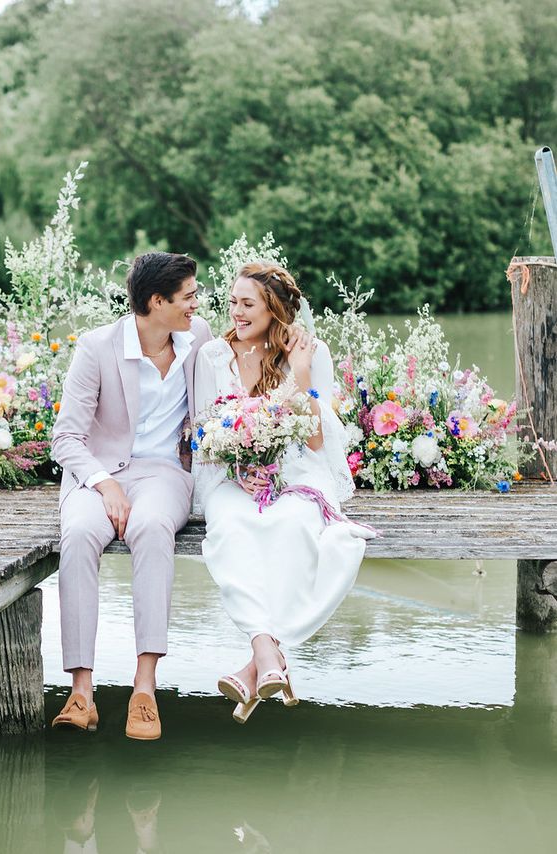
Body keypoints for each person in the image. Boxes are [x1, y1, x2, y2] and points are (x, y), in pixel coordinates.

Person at [193, 261, 375, 722]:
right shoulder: (213, 356)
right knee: (230, 526)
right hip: (232, 475)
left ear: (274, 309)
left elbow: (313, 442)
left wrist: (301, 371)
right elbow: (203, 433)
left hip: (297, 471)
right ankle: (267, 655)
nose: (236, 312)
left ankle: (258, 660)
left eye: (247, 304)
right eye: (232, 302)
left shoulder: (312, 352)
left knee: (293, 525)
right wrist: (238, 468)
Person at [51, 252, 213, 740]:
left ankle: (144, 688)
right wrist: (106, 485)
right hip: (100, 472)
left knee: (151, 526)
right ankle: (81, 691)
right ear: (157, 302)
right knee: (79, 534)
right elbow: (66, 438)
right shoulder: (97, 347)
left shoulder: (199, 338)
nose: (196, 304)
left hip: (165, 473)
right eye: (188, 297)